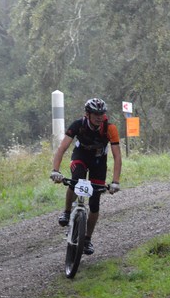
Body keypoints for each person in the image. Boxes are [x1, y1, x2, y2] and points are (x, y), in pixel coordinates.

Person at [50, 98, 122, 256]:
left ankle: (87, 239)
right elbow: (62, 148)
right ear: (87, 114)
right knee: (76, 178)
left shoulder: (110, 128)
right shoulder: (78, 125)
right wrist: (56, 170)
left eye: (101, 113)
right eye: (95, 114)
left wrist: (115, 182)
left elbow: (117, 157)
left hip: (98, 161)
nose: (99, 116)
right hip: (81, 155)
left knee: (95, 202)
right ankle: (67, 212)